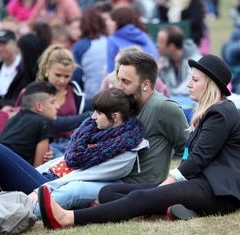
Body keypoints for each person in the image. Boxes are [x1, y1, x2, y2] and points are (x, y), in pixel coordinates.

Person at [37, 54, 240, 229]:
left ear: (209, 84)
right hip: (202, 184)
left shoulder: (220, 113)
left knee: (141, 197)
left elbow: (196, 160)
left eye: (194, 80)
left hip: (216, 192)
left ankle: (68, 218)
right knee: (108, 193)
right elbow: (237, 158)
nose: (188, 84)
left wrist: (166, 184)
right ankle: (173, 210)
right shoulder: (211, 111)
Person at [0, 87, 146, 231]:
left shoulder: (125, 152)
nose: (92, 118)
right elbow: (62, 162)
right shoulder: (96, 133)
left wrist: (43, 188)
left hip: (46, 187)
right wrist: (7, 182)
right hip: (42, 176)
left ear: (115, 116)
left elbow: (82, 180)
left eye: (98, 113)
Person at [45, 50, 188, 210]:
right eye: (118, 79)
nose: (119, 86)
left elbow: (188, 146)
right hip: (102, 170)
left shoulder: (164, 108)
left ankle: (27, 211)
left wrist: (173, 183)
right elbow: (92, 128)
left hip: (133, 184)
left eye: (126, 82)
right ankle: (22, 199)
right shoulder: (123, 102)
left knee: (73, 191)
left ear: (146, 84)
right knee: (49, 170)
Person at [36, 44, 88, 158]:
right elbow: (47, 124)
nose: (62, 80)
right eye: (58, 75)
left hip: (72, 143)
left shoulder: (75, 90)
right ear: (46, 69)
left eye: (67, 76)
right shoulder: (36, 92)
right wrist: (84, 117)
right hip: (46, 144)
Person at [106, 6, 158, 73]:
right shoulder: (145, 36)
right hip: (150, 80)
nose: (108, 23)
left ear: (119, 21)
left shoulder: (112, 40)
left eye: (112, 20)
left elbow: (111, 71)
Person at [72, 7, 108, 101]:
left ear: (82, 25)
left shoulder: (80, 46)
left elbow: (76, 77)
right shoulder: (110, 41)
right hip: (111, 96)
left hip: (91, 98)